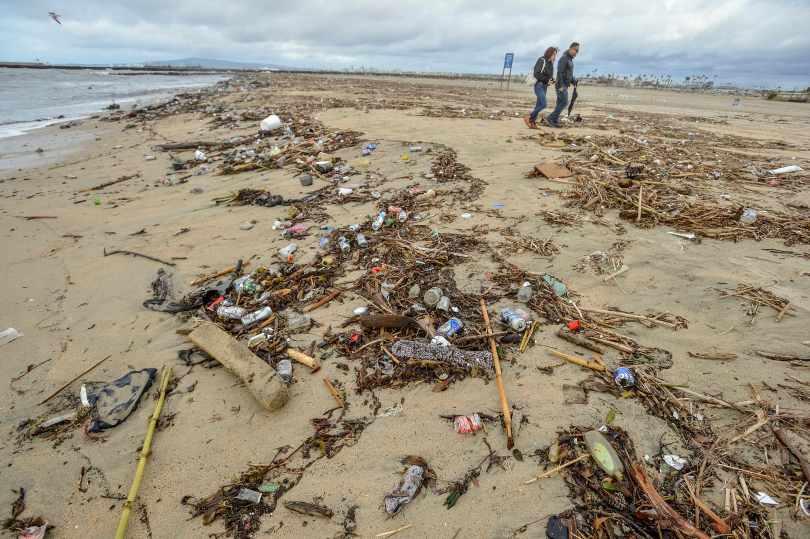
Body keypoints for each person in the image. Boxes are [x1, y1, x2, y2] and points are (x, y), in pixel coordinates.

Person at [546, 42, 579, 128]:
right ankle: (550, 118)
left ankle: (554, 120)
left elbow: (568, 74)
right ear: (571, 49)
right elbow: (560, 72)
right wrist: (561, 86)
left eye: (578, 51)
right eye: (575, 50)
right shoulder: (564, 58)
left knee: (560, 103)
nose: (576, 52)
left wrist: (573, 80)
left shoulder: (569, 59)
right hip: (561, 85)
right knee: (564, 102)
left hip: (564, 85)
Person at [524, 47, 557, 129]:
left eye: (555, 55)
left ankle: (532, 122)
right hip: (539, 85)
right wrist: (547, 80)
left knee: (538, 105)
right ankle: (529, 117)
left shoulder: (551, 64)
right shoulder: (541, 60)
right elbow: (536, 74)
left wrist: (553, 81)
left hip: (545, 86)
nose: (555, 56)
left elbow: (550, 77)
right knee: (543, 104)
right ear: (549, 53)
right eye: (554, 54)